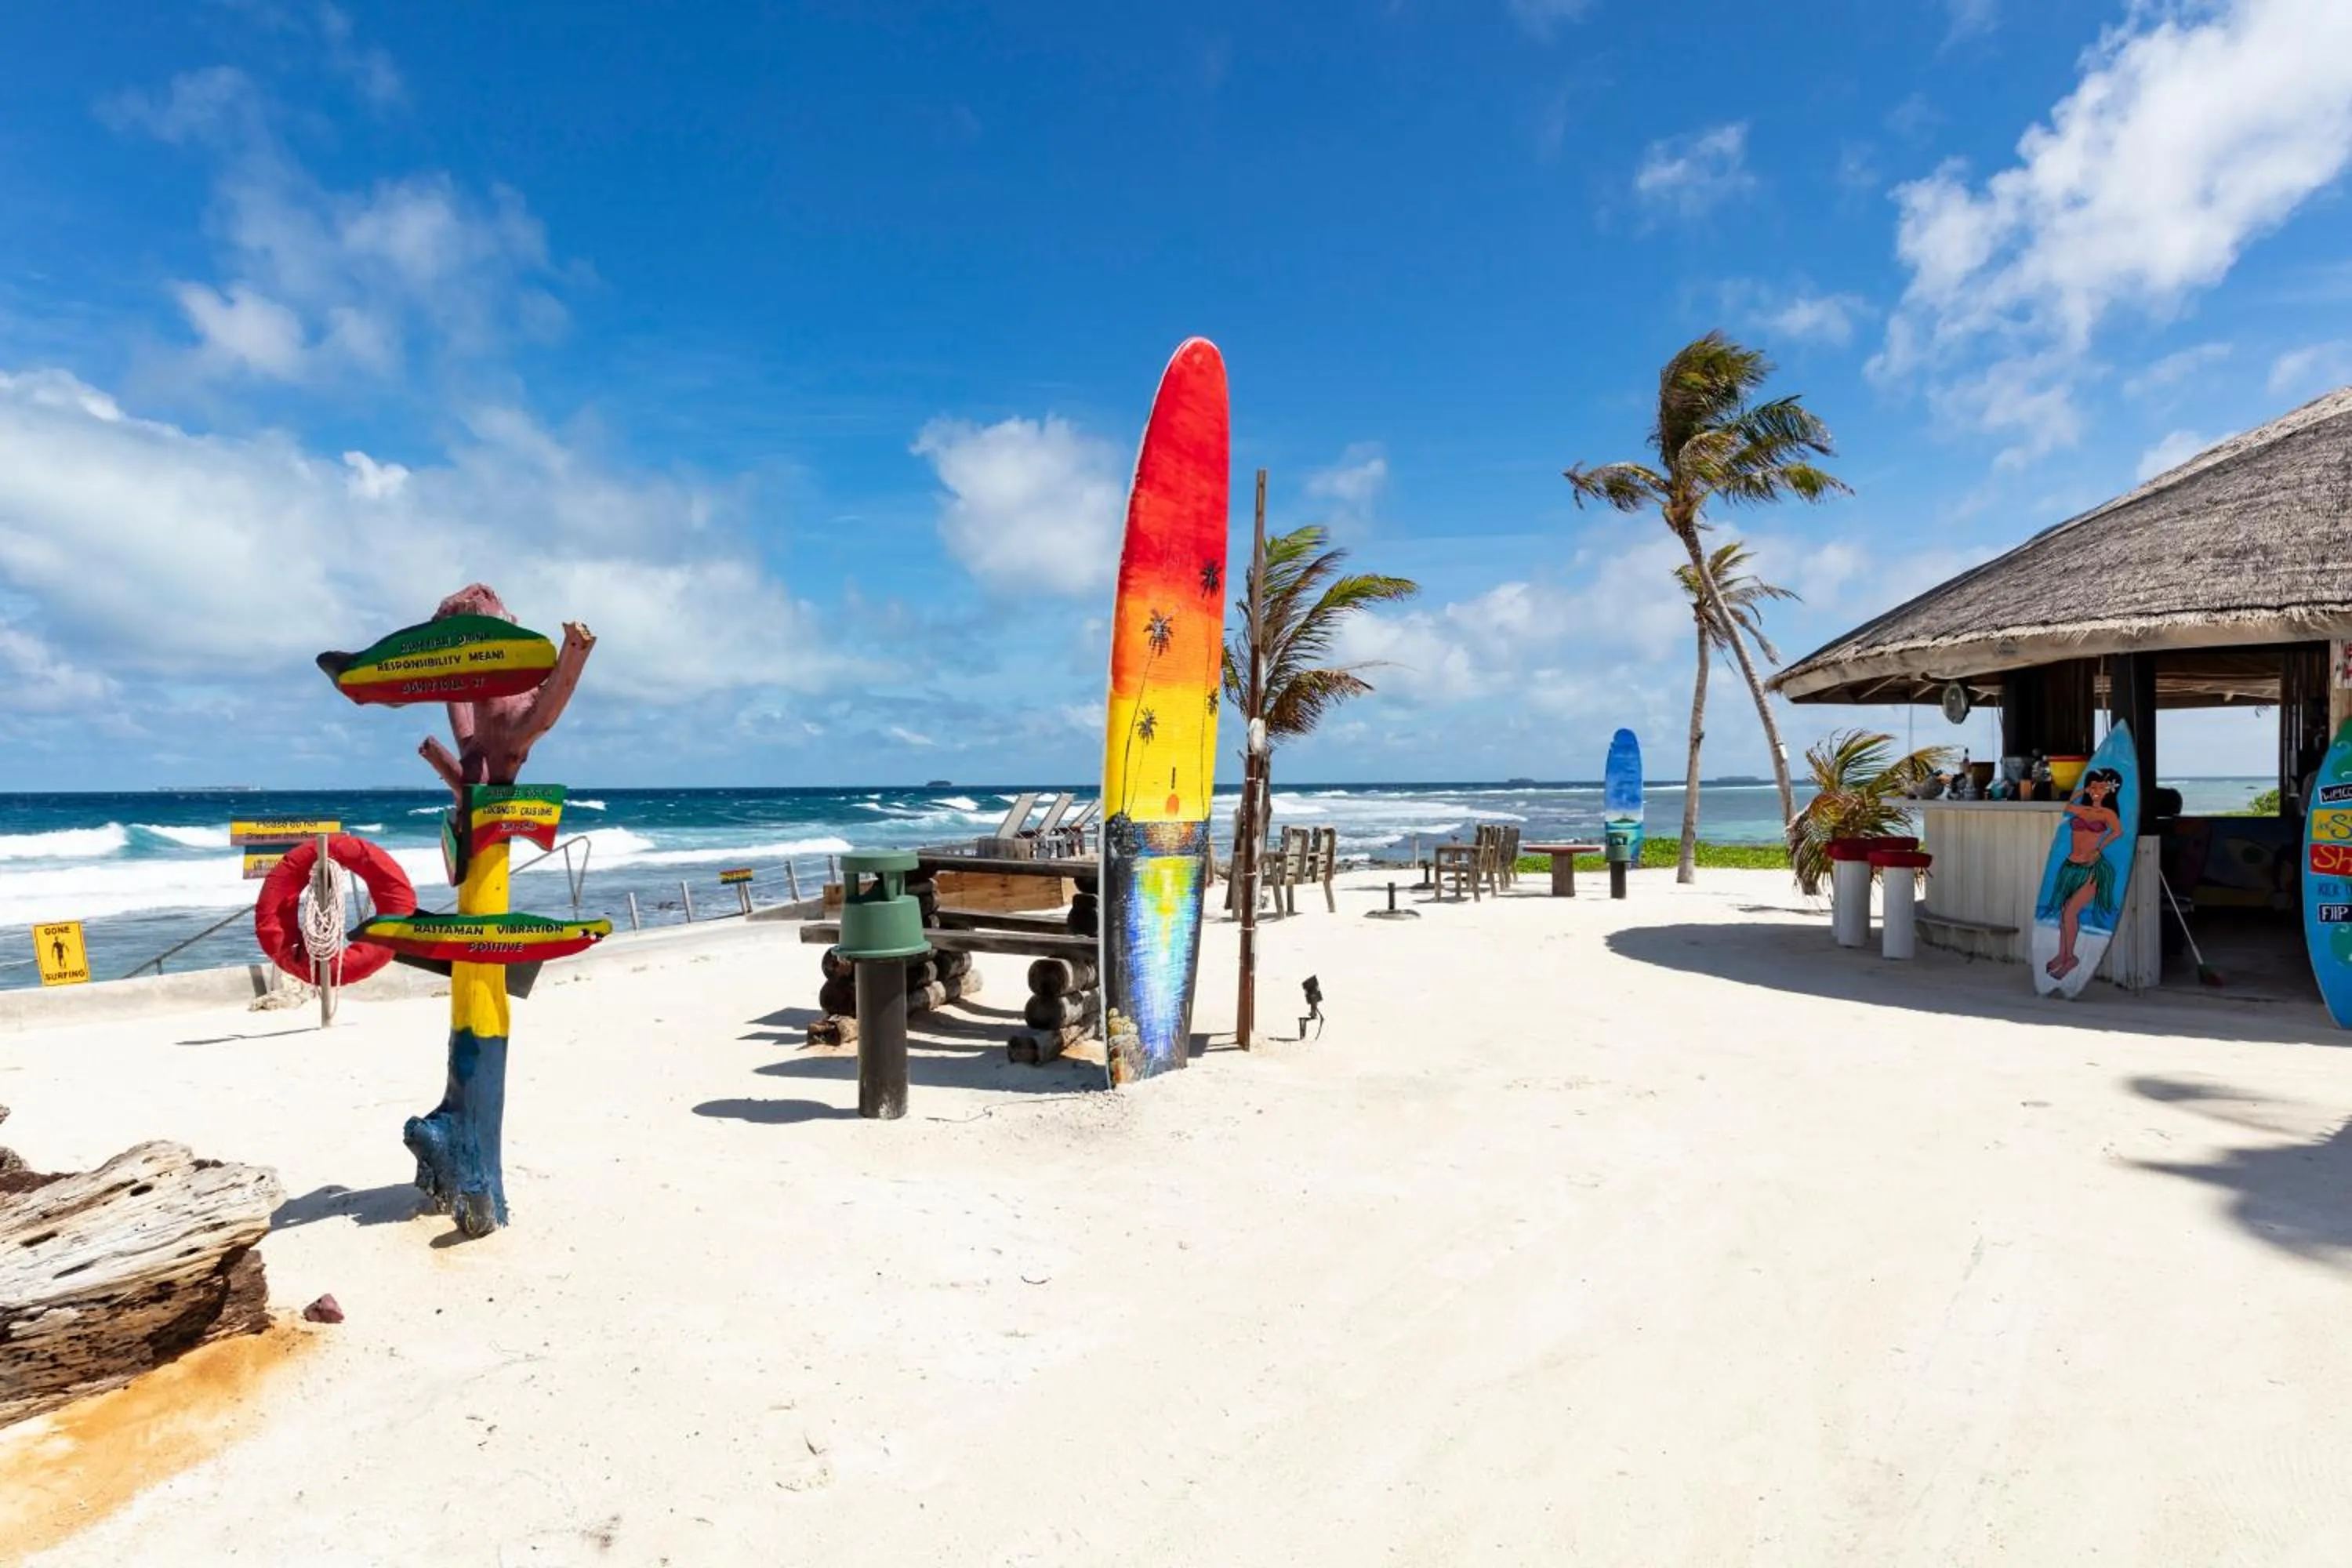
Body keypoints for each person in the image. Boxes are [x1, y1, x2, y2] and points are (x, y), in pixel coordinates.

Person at [2042, 767, 2125, 982]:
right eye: (2093, 787)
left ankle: (2071, 959)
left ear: (2109, 791)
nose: (2096, 791)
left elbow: (2118, 832)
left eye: (2102, 788)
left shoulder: (2107, 814)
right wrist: (2081, 791)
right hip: (2071, 865)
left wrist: (2100, 849)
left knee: (2070, 912)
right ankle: (2063, 954)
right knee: (2064, 913)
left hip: (2091, 868)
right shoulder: (2081, 809)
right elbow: (2068, 806)